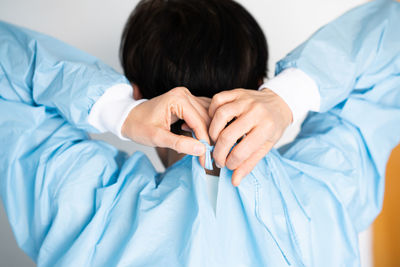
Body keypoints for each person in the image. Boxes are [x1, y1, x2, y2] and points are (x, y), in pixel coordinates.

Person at [0, 1, 398, 267]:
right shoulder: (324, 189)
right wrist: (290, 95)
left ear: (136, 91)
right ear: (259, 83)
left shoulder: (82, 202)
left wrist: (113, 109)